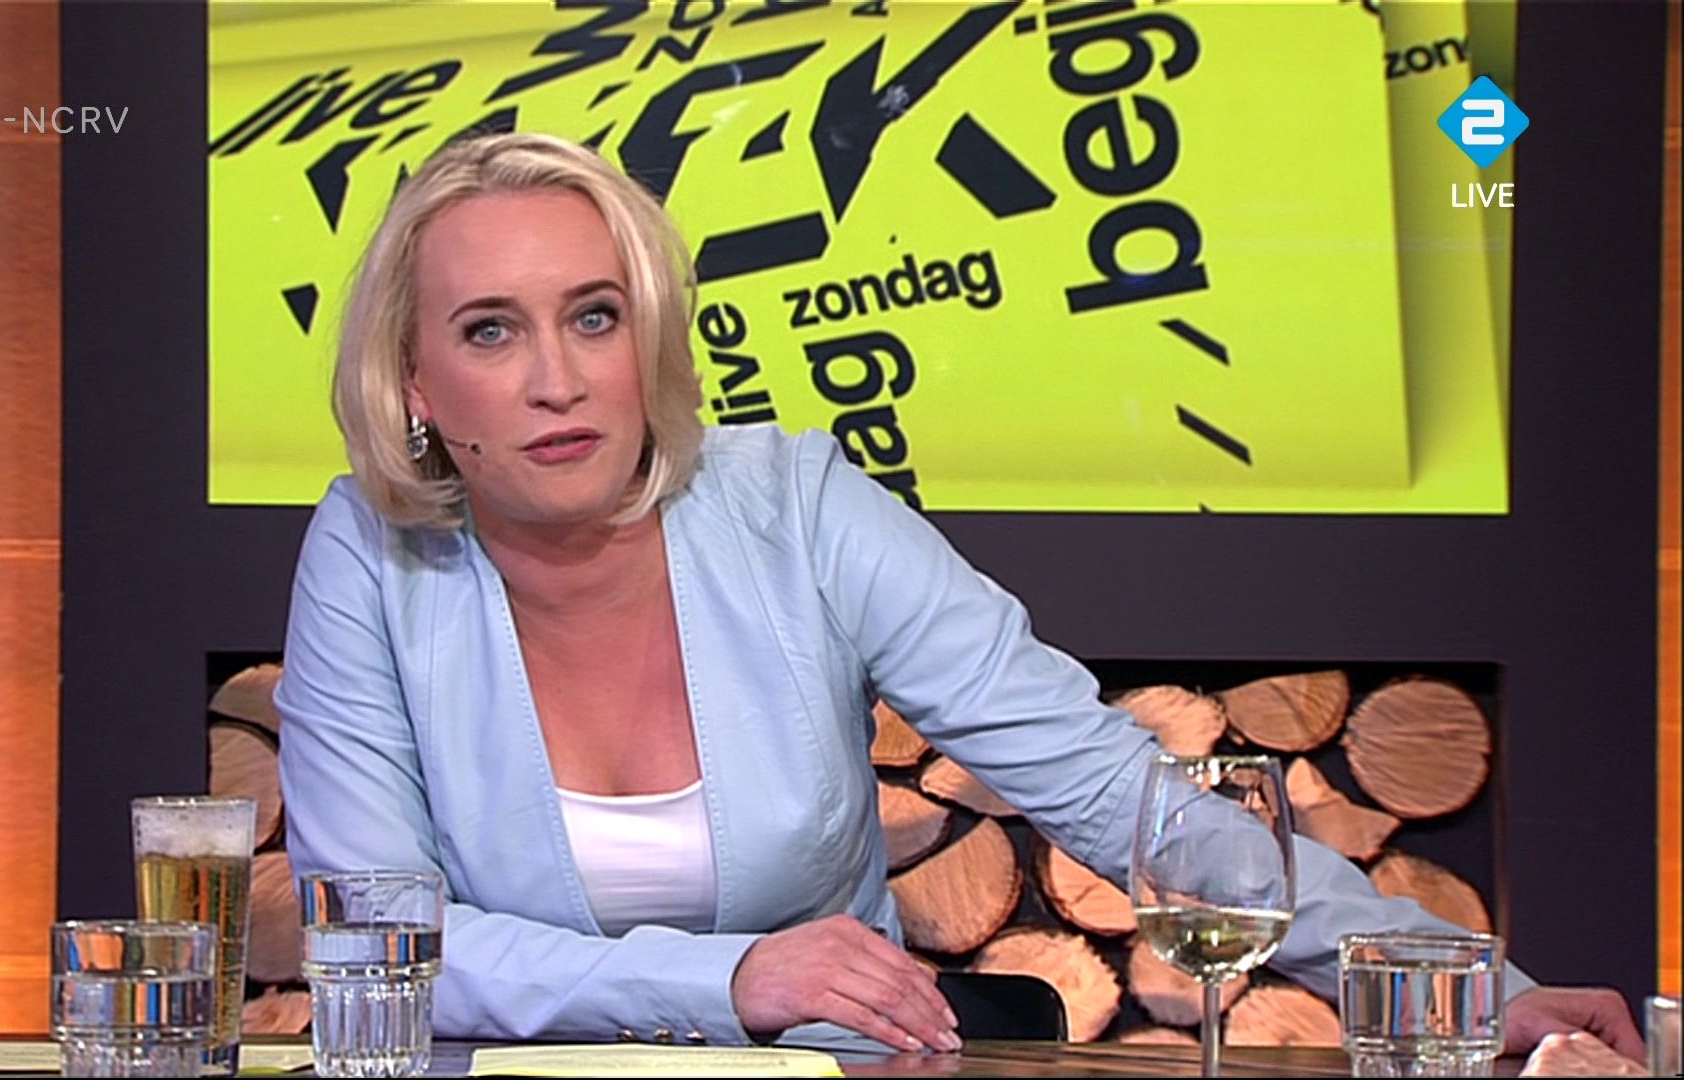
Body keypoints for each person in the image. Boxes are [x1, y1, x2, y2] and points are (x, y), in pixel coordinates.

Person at [272, 131, 1644, 1059]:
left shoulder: (798, 505)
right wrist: (728, 977)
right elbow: (374, 954)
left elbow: (1115, 792)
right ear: (416, 385)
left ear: (651, 338)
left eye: (595, 315)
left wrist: (1471, 989)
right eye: (491, 331)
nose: (559, 379)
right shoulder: (367, 555)